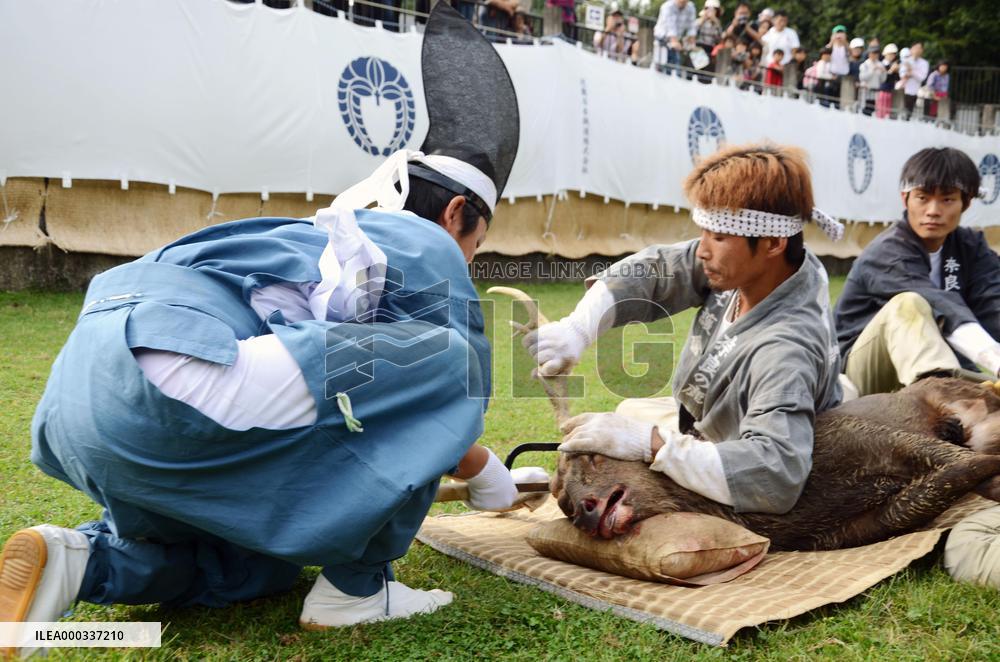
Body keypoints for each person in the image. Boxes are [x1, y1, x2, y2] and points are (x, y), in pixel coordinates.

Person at [0, 4, 548, 652]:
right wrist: (488, 473)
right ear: (456, 212)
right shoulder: (420, 244)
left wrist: (481, 469)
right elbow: (438, 397)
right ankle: (357, 591)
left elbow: (359, 378)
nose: (471, 262)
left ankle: (75, 560)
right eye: (477, 244)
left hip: (89, 398)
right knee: (457, 362)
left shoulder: (324, 235)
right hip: (176, 372)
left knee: (256, 567)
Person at [526, 143, 845, 516]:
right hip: (699, 421)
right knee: (622, 417)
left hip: (739, 449)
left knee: (626, 433)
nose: (703, 250)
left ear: (774, 242)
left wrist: (653, 444)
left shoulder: (787, 347)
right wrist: (578, 329)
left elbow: (775, 472)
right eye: (704, 233)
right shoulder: (748, 268)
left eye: (719, 237)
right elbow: (658, 270)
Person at [833, 147, 1000, 397]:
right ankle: (946, 397)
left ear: (965, 203)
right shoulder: (887, 251)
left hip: (943, 368)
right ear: (905, 199)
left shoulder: (970, 247)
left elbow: (993, 304)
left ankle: (950, 391)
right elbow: (941, 303)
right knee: (909, 304)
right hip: (861, 373)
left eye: (947, 199)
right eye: (922, 197)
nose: (933, 210)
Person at [654, 0, 697, 75]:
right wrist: (674, 42)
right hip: (661, 39)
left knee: (675, 71)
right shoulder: (667, 6)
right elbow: (671, 27)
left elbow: (692, 26)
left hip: (675, 41)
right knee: (660, 69)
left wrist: (692, 42)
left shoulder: (691, 7)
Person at [901, 42, 929, 120]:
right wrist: (909, 73)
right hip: (903, 90)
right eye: (915, 48)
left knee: (910, 114)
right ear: (911, 49)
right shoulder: (906, 60)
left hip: (915, 91)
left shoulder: (924, 63)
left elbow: (922, 77)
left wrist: (912, 72)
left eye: (919, 48)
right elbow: (902, 74)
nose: (917, 50)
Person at [858, 46, 886, 116]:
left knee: (873, 111)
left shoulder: (880, 64)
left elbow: (883, 79)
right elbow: (862, 77)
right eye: (873, 53)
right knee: (864, 110)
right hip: (866, 91)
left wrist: (883, 72)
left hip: (876, 91)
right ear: (869, 54)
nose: (874, 55)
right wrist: (872, 70)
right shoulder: (865, 65)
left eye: (876, 53)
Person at [877, 43, 900, 118]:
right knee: (881, 111)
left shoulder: (893, 65)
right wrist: (891, 70)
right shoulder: (881, 64)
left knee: (887, 112)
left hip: (889, 91)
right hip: (882, 90)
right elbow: (883, 78)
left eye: (893, 54)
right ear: (885, 54)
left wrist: (896, 71)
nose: (892, 56)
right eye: (890, 54)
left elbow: (897, 78)